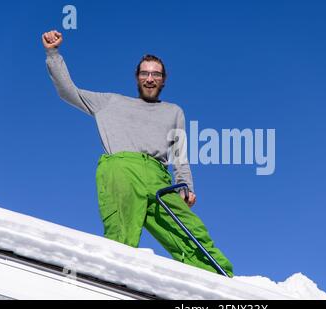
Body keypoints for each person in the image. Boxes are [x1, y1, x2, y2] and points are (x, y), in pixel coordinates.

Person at [42, 30, 233, 277]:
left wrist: (185, 185)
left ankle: (220, 281)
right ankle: (110, 284)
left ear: (164, 80)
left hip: (158, 178)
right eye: (145, 73)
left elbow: (180, 154)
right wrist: (53, 53)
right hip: (121, 168)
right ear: (137, 78)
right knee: (120, 235)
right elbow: (69, 92)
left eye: (156, 74)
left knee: (190, 231)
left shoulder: (173, 111)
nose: (150, 78)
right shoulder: (111, 102)